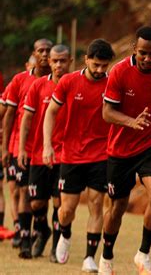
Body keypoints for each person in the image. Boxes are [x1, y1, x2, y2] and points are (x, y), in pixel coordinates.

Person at [99, 26, 151, 275]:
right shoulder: (119, 71)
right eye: (143, 52)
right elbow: (107, 112)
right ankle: (106, 256)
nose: (147, 58)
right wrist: (131, 121)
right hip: (120, 149)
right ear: (134, 49)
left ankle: (143, 254)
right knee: (117, 206)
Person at [43, 39, 114, 272]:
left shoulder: (111, 84)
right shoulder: (68, 81)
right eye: (96, 65)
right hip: (71, 155)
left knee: (96, 204)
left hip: (100, 155)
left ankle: (89, 258)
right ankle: (64, 234)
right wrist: (47, 145)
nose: (100, 70)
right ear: (86, 60)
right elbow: (51, 112)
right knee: (67, 210)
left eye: (104, 66)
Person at [18, 45, 71, 261]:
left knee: (60, 203)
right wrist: (22, 148)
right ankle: (43, 231)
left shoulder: (75, 84)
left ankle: (56, 247)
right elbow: (27, 120)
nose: (59, 65)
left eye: (63, 61)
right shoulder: (38, 85)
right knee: (37, 204)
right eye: (55, 61)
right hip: (39, 153)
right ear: (49, 62)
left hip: (66, 155)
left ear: (70, 61)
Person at [2, 38, 53, 258]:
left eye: (47, 51)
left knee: (41, 197)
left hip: (48, 148)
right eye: (40, 50)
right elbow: (9, 115)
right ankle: (24, 237)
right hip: (19, 147)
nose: (44, 54)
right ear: (34, 53)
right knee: (21, 190)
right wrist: (4, 148)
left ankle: (41, 230)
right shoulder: (20, 80)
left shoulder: (59, 81)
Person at [0, 82, 21, 247]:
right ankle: (18, 228)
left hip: (20, 148)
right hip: (12, 148)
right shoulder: (14, 85)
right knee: (13, 191)